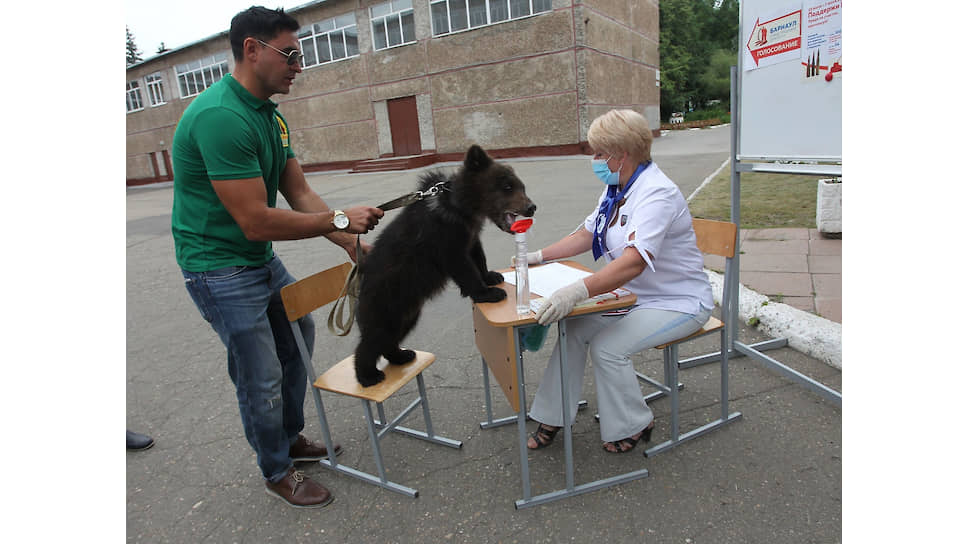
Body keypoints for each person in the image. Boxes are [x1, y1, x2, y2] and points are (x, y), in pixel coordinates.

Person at [171, 6, 384, 508]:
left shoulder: (271, 117)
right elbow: (255, 219)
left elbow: (301, 194)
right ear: (251, 50)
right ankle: (275, 468)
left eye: (299, 56)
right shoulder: (221, 117)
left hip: (256, 259)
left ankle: (288, 439)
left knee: (298, 336)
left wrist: (354, 243)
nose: (298, 66)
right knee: (260, 370)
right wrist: (339, 220)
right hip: (218, 267)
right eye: (289, 54)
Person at [524, 109, 714, 454]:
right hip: (634, 298)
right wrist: (537, 256)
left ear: (621, 155)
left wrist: (577, 290)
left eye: (599, 153)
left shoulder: (657, 193)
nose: (594, 160)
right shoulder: (618, 188)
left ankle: (636, 422)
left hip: (678, 302)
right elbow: (587, 232)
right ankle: (553, 414)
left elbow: (632, 263)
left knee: (608, 348)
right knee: (573, 329)